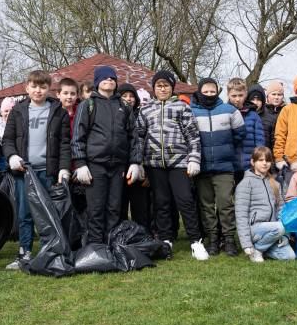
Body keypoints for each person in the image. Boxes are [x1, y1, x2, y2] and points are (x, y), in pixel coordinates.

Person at [3, 70, 72, 269]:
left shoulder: (58, 111)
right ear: (27, 88)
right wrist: (12, 156)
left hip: (48, 172)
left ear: (49, 88)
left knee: (47, 214)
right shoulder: (17, 111)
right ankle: (24, 253)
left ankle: (46, 252)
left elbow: (65, 143)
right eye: (34, 86)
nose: (38, 90)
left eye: (43, 87)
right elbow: (8, 140)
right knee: (25, 215)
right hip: (24, 172)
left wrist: (64, 168)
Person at [137, 71, 208, 260]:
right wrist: (139, 163)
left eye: (166, 85)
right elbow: (139, 137)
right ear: (154, 88)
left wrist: (194, 159)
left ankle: (196, 241)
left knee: (185, 201)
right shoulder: (145, 110)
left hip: (179, 163)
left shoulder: (182, 108)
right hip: (154, 164)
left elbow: (193, 136)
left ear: (172, 87)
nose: (162, 89)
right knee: (161, 203)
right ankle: (166, 240)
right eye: (159, 86)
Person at [71, 66, 142, 245]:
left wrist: (135, 162)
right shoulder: (87, 105)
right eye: (105, 77)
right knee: (95, 209)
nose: (109, 80)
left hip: (118, 166)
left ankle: (111, 244)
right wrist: (80, 164)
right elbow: (78, 136)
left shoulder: (124, 106)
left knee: (114, 209)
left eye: (112, 78)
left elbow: (133, 137)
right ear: (97, 82)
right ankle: (96, 246)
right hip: (95, 166)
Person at [190, 77, 245, 256]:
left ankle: (228, 239)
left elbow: (239, 134)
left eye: (212, 91)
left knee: (225, 204)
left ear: (217, 92)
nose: (209, 94)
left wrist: (226, 149)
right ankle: (213, 239)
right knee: (206, 206)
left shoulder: (230, 110)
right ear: (199, 92)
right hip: (202, 167)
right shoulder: (191, 111)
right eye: (205, 91)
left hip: (225, 167)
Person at [235, 146, 295, 263]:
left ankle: (263, 248)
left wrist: (285, 236)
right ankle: (257, 250)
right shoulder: (245, 184)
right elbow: (241, 216)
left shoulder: (275, 183)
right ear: (253, 162)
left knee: (289, 256)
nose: (265, 163)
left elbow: (282, 211)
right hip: (255, 230)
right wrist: (246, 244)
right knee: (279, 227)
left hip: (273, 230)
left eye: (267, 160)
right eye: (261, 160)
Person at [119, 83, 152, 231]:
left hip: (139, 166)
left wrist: (145, 167)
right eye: (124, 96)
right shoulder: (114, 115)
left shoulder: (142, 116)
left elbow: (147, 144)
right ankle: (121, 236)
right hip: (119, 167)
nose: (128, 99)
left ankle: (143, 235)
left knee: (140, 207)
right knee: (120, 206)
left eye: (131, 96)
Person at [229, 81, 265, 184]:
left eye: (240, 95)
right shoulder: (225, 113)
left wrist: (258, 162)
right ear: (228, 94)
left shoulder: (253, 115)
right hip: (231, 166)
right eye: (234, 96)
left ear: (245, 94)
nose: (237, 99)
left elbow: (260, 142)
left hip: (250, 166)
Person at [260, 80, 285, 152]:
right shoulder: (261, 111)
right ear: (267, 96)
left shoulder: (286, 112)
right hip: (264, 153)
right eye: (273, 94)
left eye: (279, 94)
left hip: (281, 153)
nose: (276, 97)